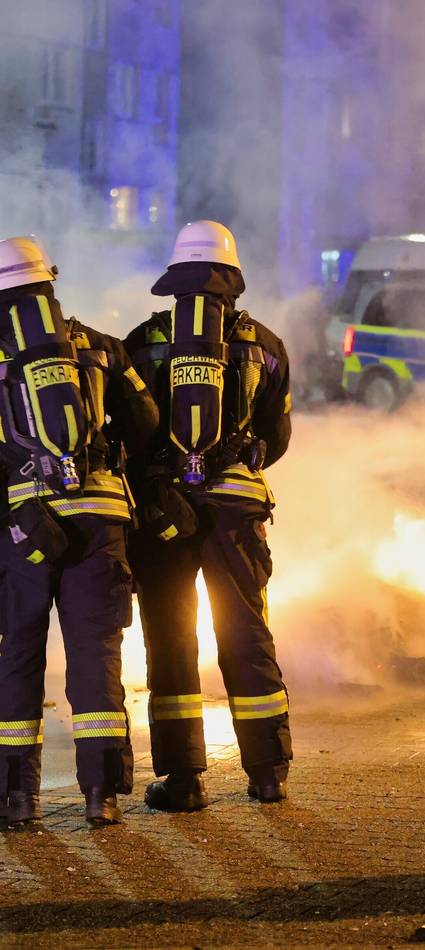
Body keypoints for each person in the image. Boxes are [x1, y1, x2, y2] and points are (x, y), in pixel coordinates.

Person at [124, 221, 293, 812]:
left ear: (174, 280)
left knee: (171, 639)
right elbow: (277, 437)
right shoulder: (265, 345)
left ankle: (184, 780)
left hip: (164, 516)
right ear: (232, 279)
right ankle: (267, 773)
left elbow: (129, 432)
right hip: (236, 512)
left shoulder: (143, 342)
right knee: (246, 632)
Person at [0, 235, 159, 826]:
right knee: (96, 654)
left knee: (18, 654)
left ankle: (18, 798)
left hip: (24, 531)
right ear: (49, 282)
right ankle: (101, 796)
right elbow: (146, 422)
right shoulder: (98, 346)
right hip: (100, 521)